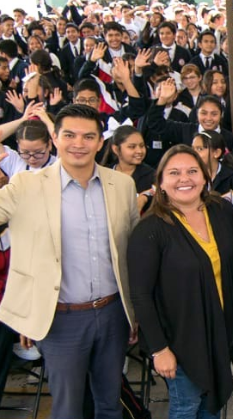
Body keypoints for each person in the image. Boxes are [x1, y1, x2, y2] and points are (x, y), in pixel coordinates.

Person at [0, 104, 139, 419]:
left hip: (113, 312)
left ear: (100, 142)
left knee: (109, 404)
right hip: (60, 319)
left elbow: (129, 250)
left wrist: (134, 311)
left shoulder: (122, 186)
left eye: (88, 136)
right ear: (55, 138)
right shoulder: (26, 185)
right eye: (70, 135)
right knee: (67, 410)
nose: (79, 143)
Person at [128, 144, 233, 419]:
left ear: (205, 177)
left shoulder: (221, 211)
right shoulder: (151, 229)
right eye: (174, 173)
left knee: (212, 406)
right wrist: (159, 349)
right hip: (179, 342)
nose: (184, 179)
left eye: (192, 171)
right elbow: (141, 295)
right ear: (160, 182)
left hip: (218, 333)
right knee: (186, 407)